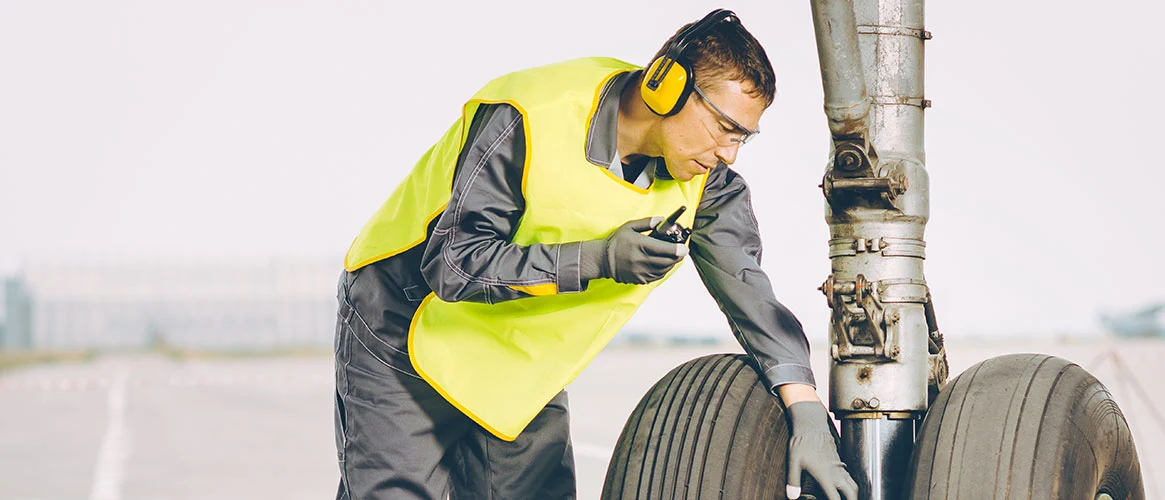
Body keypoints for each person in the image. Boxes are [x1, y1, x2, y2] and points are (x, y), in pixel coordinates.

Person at [333, 8, 857, 500]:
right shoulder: (531, 115)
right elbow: (453, 263)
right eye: (725, 128)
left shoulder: (708, 184)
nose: (729, 153)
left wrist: (805, 405)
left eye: (744, 137)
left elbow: (748, 289)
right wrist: (599, 259)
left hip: (519, 358)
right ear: (665, 85)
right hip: (405, 325)